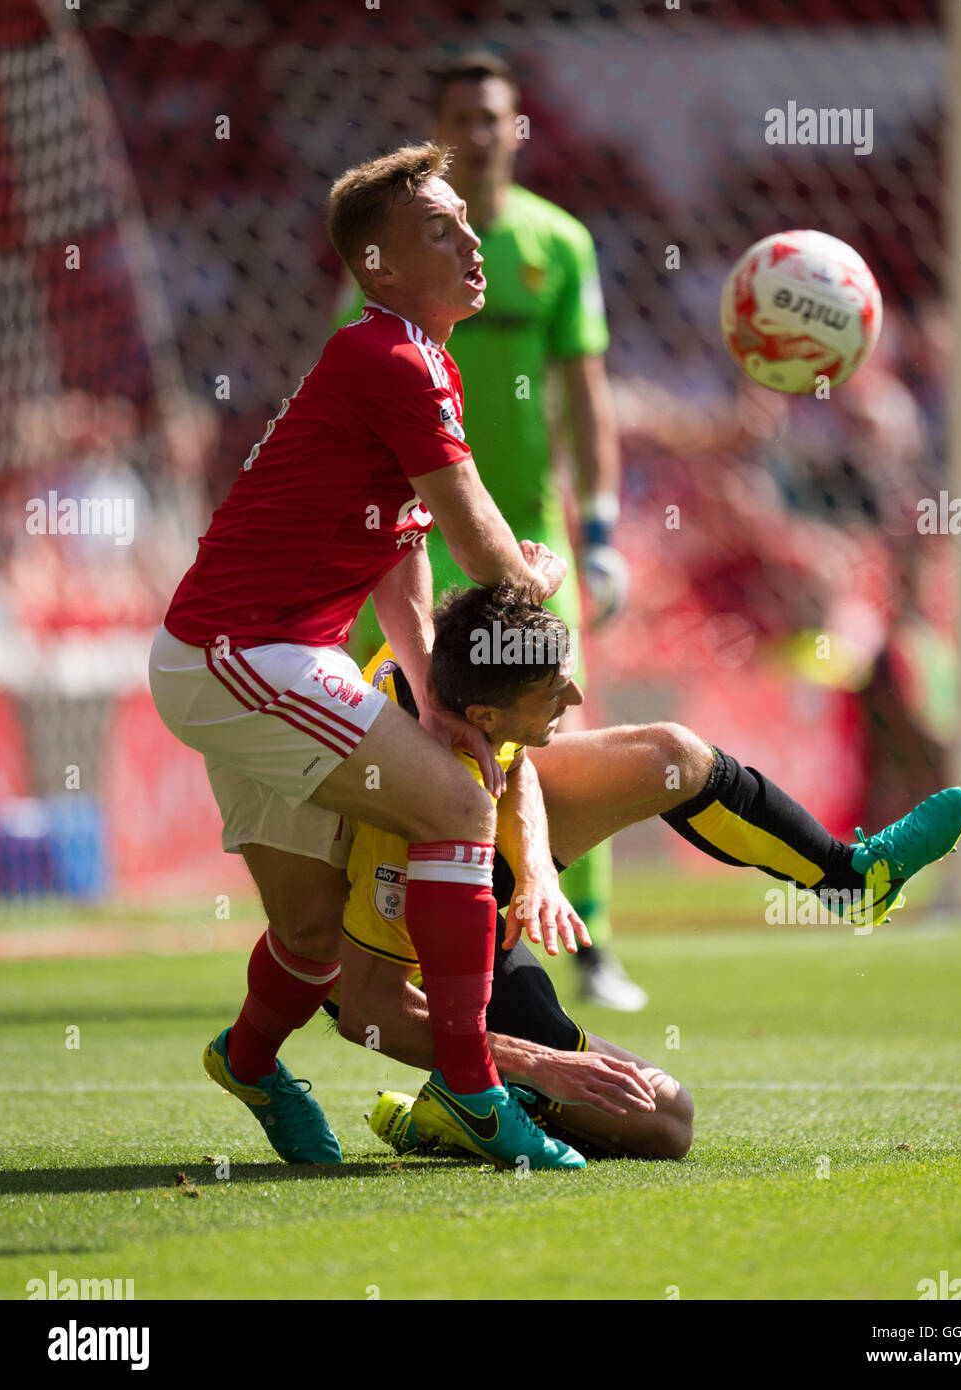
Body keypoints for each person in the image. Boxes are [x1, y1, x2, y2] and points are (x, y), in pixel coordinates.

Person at [148, 143, 600, 1173]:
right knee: (457, 805)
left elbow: (399, 558)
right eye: (440, 229)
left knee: (309, 936)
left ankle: (251, 1060)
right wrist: (540, 574)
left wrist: (439, 696)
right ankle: (476, 1094)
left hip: (258, 659)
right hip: (240, 653)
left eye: (467, 223)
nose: (473, 238)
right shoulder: (388, 358)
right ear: (378, 267)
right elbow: (482, 545)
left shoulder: (409, 360)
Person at [322, 581, 961, 1161]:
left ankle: (849, 882)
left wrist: (539, 876)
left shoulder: (452, 659)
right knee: (666, 1121)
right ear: (482, 719)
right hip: (409, 948)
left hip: (471, 859)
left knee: (672, 757)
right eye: (554, 691)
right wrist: (539, 1065)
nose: (575, 696)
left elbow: (509, 759)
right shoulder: (405, 818)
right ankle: (462, 1106)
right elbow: (367, 1005)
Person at [333, 53, 644, 1011]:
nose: (479, 131)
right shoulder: (400, 260)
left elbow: (586, 397)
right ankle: (368, 929)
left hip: (529, 533)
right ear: (437, 127)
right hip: (421, 534)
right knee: (400, 716)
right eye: (460, 114)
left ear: (517, 127)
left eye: (493, 114)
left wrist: (598, 526)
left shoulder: (560, 243)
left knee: (546, 723)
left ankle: (575, 939)